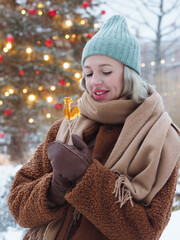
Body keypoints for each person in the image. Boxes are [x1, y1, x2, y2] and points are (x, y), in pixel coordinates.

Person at [8, 15, 180, 240]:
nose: (94, 81)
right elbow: (17, 205)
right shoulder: (64, 128)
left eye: (106, 72)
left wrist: (87, 177)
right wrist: (54, 189)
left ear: (129, 75)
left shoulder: (162, 139)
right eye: (88, 73)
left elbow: (145, 232)